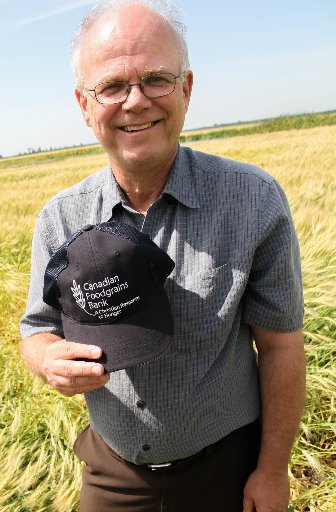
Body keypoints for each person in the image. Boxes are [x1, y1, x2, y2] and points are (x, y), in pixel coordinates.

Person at [20, 1, 306, 510]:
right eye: (111, 86)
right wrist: (47, 359)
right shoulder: (60, 219)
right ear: (85, 106)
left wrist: (271, 470)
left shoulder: (254, 200)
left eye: (156, 79)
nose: (135, 101)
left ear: (187, 90)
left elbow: (281, 346)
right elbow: (36, 328)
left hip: (229, 466)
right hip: (113, 471)